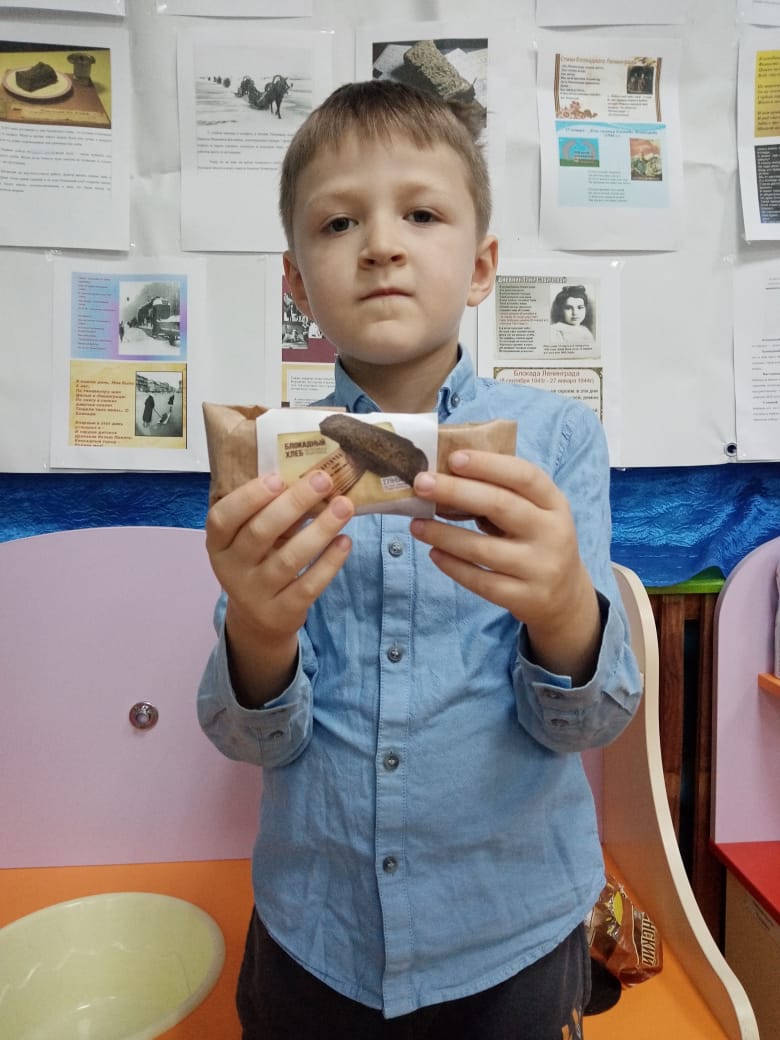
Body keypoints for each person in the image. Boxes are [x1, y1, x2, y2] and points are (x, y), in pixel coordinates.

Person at [197, 80, 642, 1040]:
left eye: (422, 214)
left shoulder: (557, 443)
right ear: (295, 282)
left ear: (480, 268)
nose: (381, 245)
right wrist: (261, 628)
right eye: (339, 222)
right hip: (315, 933)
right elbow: (249, 740)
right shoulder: (268, 456)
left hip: (512, 931)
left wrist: (565, 609)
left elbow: (593, 721)